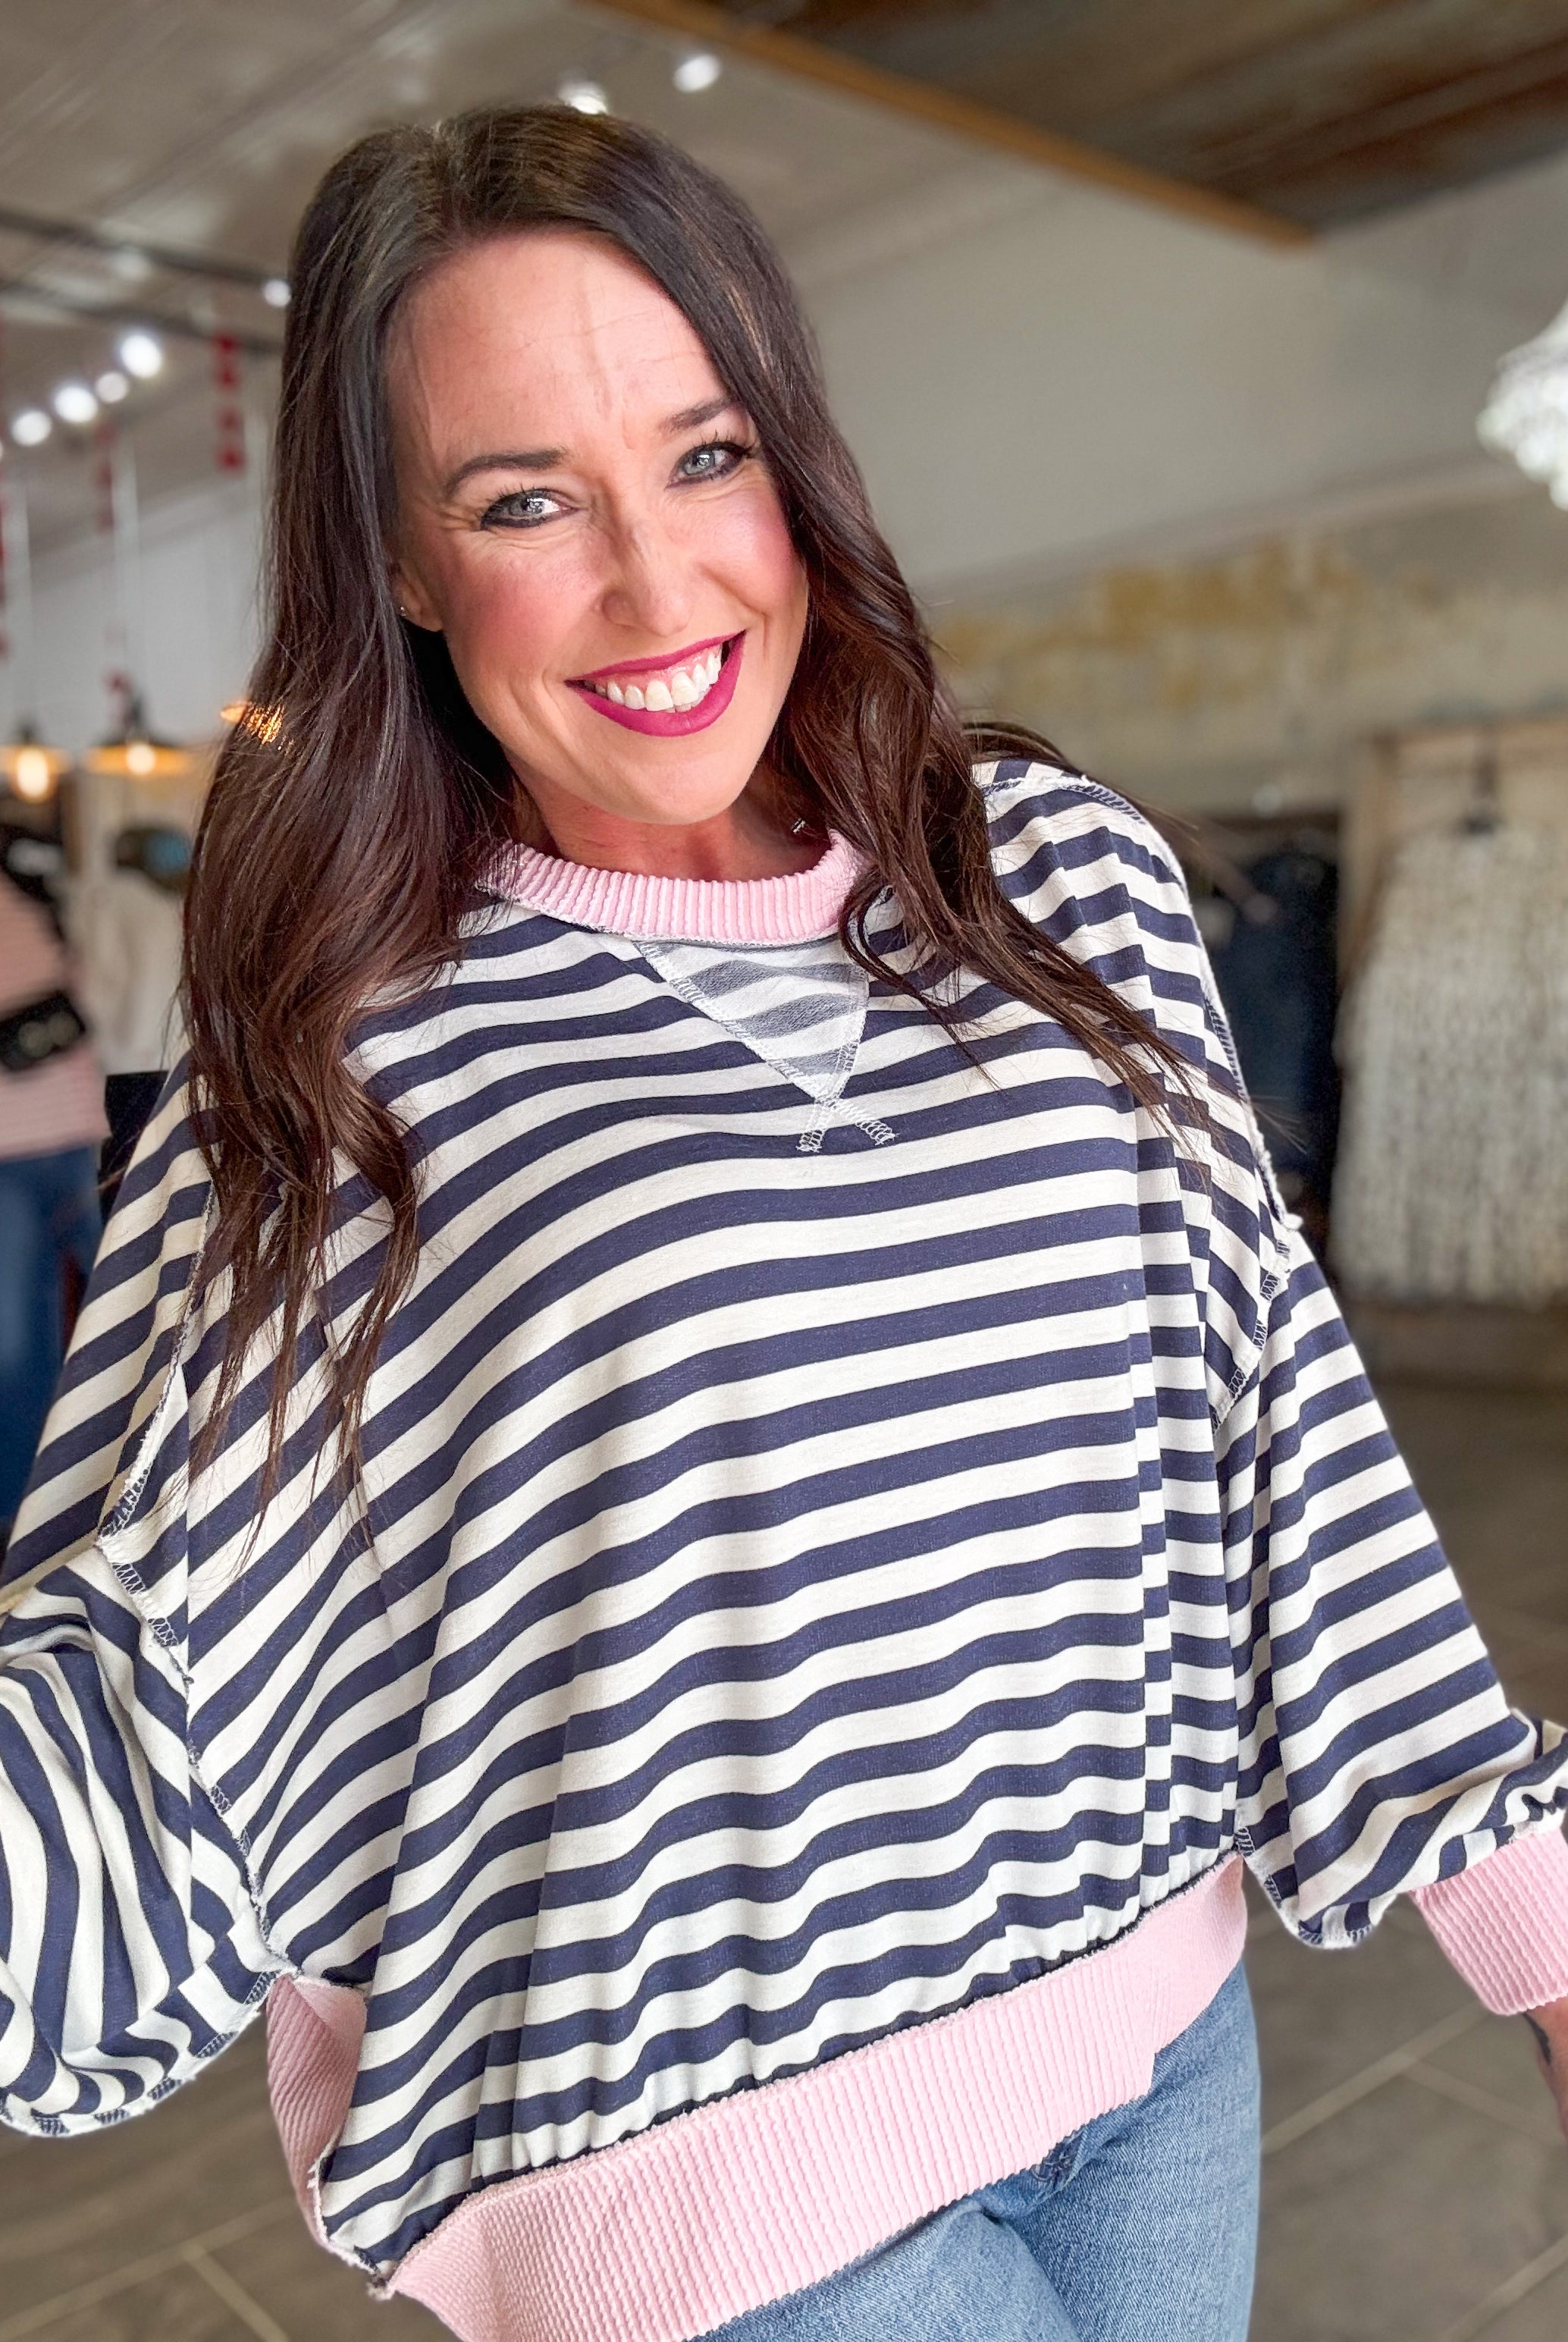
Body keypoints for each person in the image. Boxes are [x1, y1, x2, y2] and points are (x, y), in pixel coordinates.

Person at [2, 105, 1566, 2342]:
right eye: (523, 501)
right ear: (405, 567)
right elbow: (150, 1676)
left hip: (1158, 2039)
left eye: (704, 457)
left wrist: (1534, 1926)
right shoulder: (329, 1052)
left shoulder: (1056, 882)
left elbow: (1279, 1431)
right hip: (710, 2190)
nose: (659, 592)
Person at [0, 818, 104, 1545]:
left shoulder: (30, 882)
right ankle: (29, 1516)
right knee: (23, 1346)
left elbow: (85, 990)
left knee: (149, 1315)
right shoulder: (32, 879)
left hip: (68, 1136)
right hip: (28, 1148)